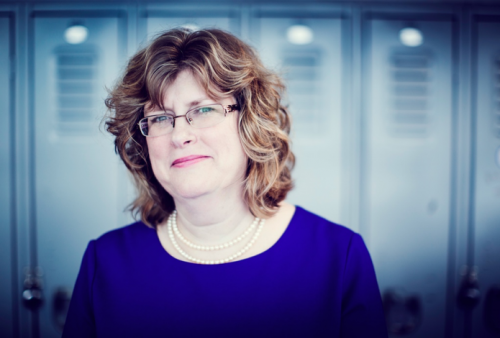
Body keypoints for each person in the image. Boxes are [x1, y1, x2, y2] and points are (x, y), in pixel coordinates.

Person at [62, 28, 387, 337]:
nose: (180, 135)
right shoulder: (104, 263)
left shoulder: (338, 257)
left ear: (250, 123)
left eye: (203, 110)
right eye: (160, 118)